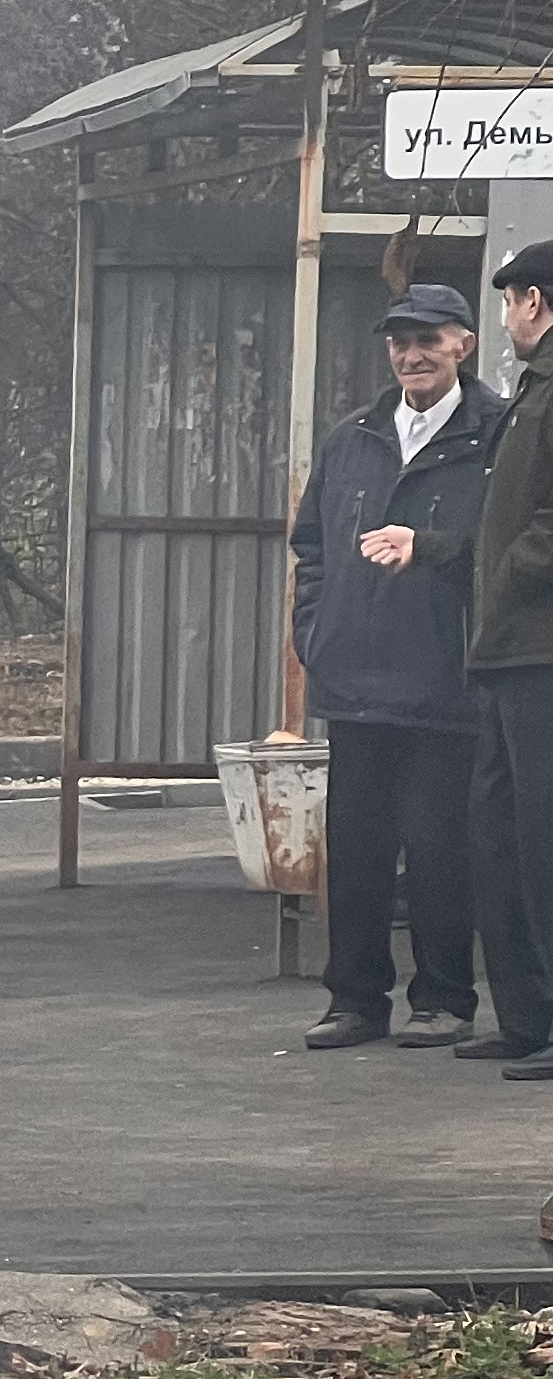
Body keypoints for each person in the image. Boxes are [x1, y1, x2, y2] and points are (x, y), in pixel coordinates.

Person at [289, 281, 508, 1050]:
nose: (412, 354)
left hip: (448, 681)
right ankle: (354, 999)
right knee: (355, 850)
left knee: (443, 849)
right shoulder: (354, 435)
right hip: (355, 680)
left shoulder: (498, 437)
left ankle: (444, 997)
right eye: (400, 342)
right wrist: (316, 634)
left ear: (464, 345)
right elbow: (311, 547)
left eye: (429, 339)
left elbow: (506, 551)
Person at [471, 245, 553, 1089]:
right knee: (499, 836)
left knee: (543, 839)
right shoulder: (532, 393)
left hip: (540, 647)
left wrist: (509, 574)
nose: (505, 319)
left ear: (534, 300)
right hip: (505, 646)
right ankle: (525, 1016)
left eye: (508, 303)